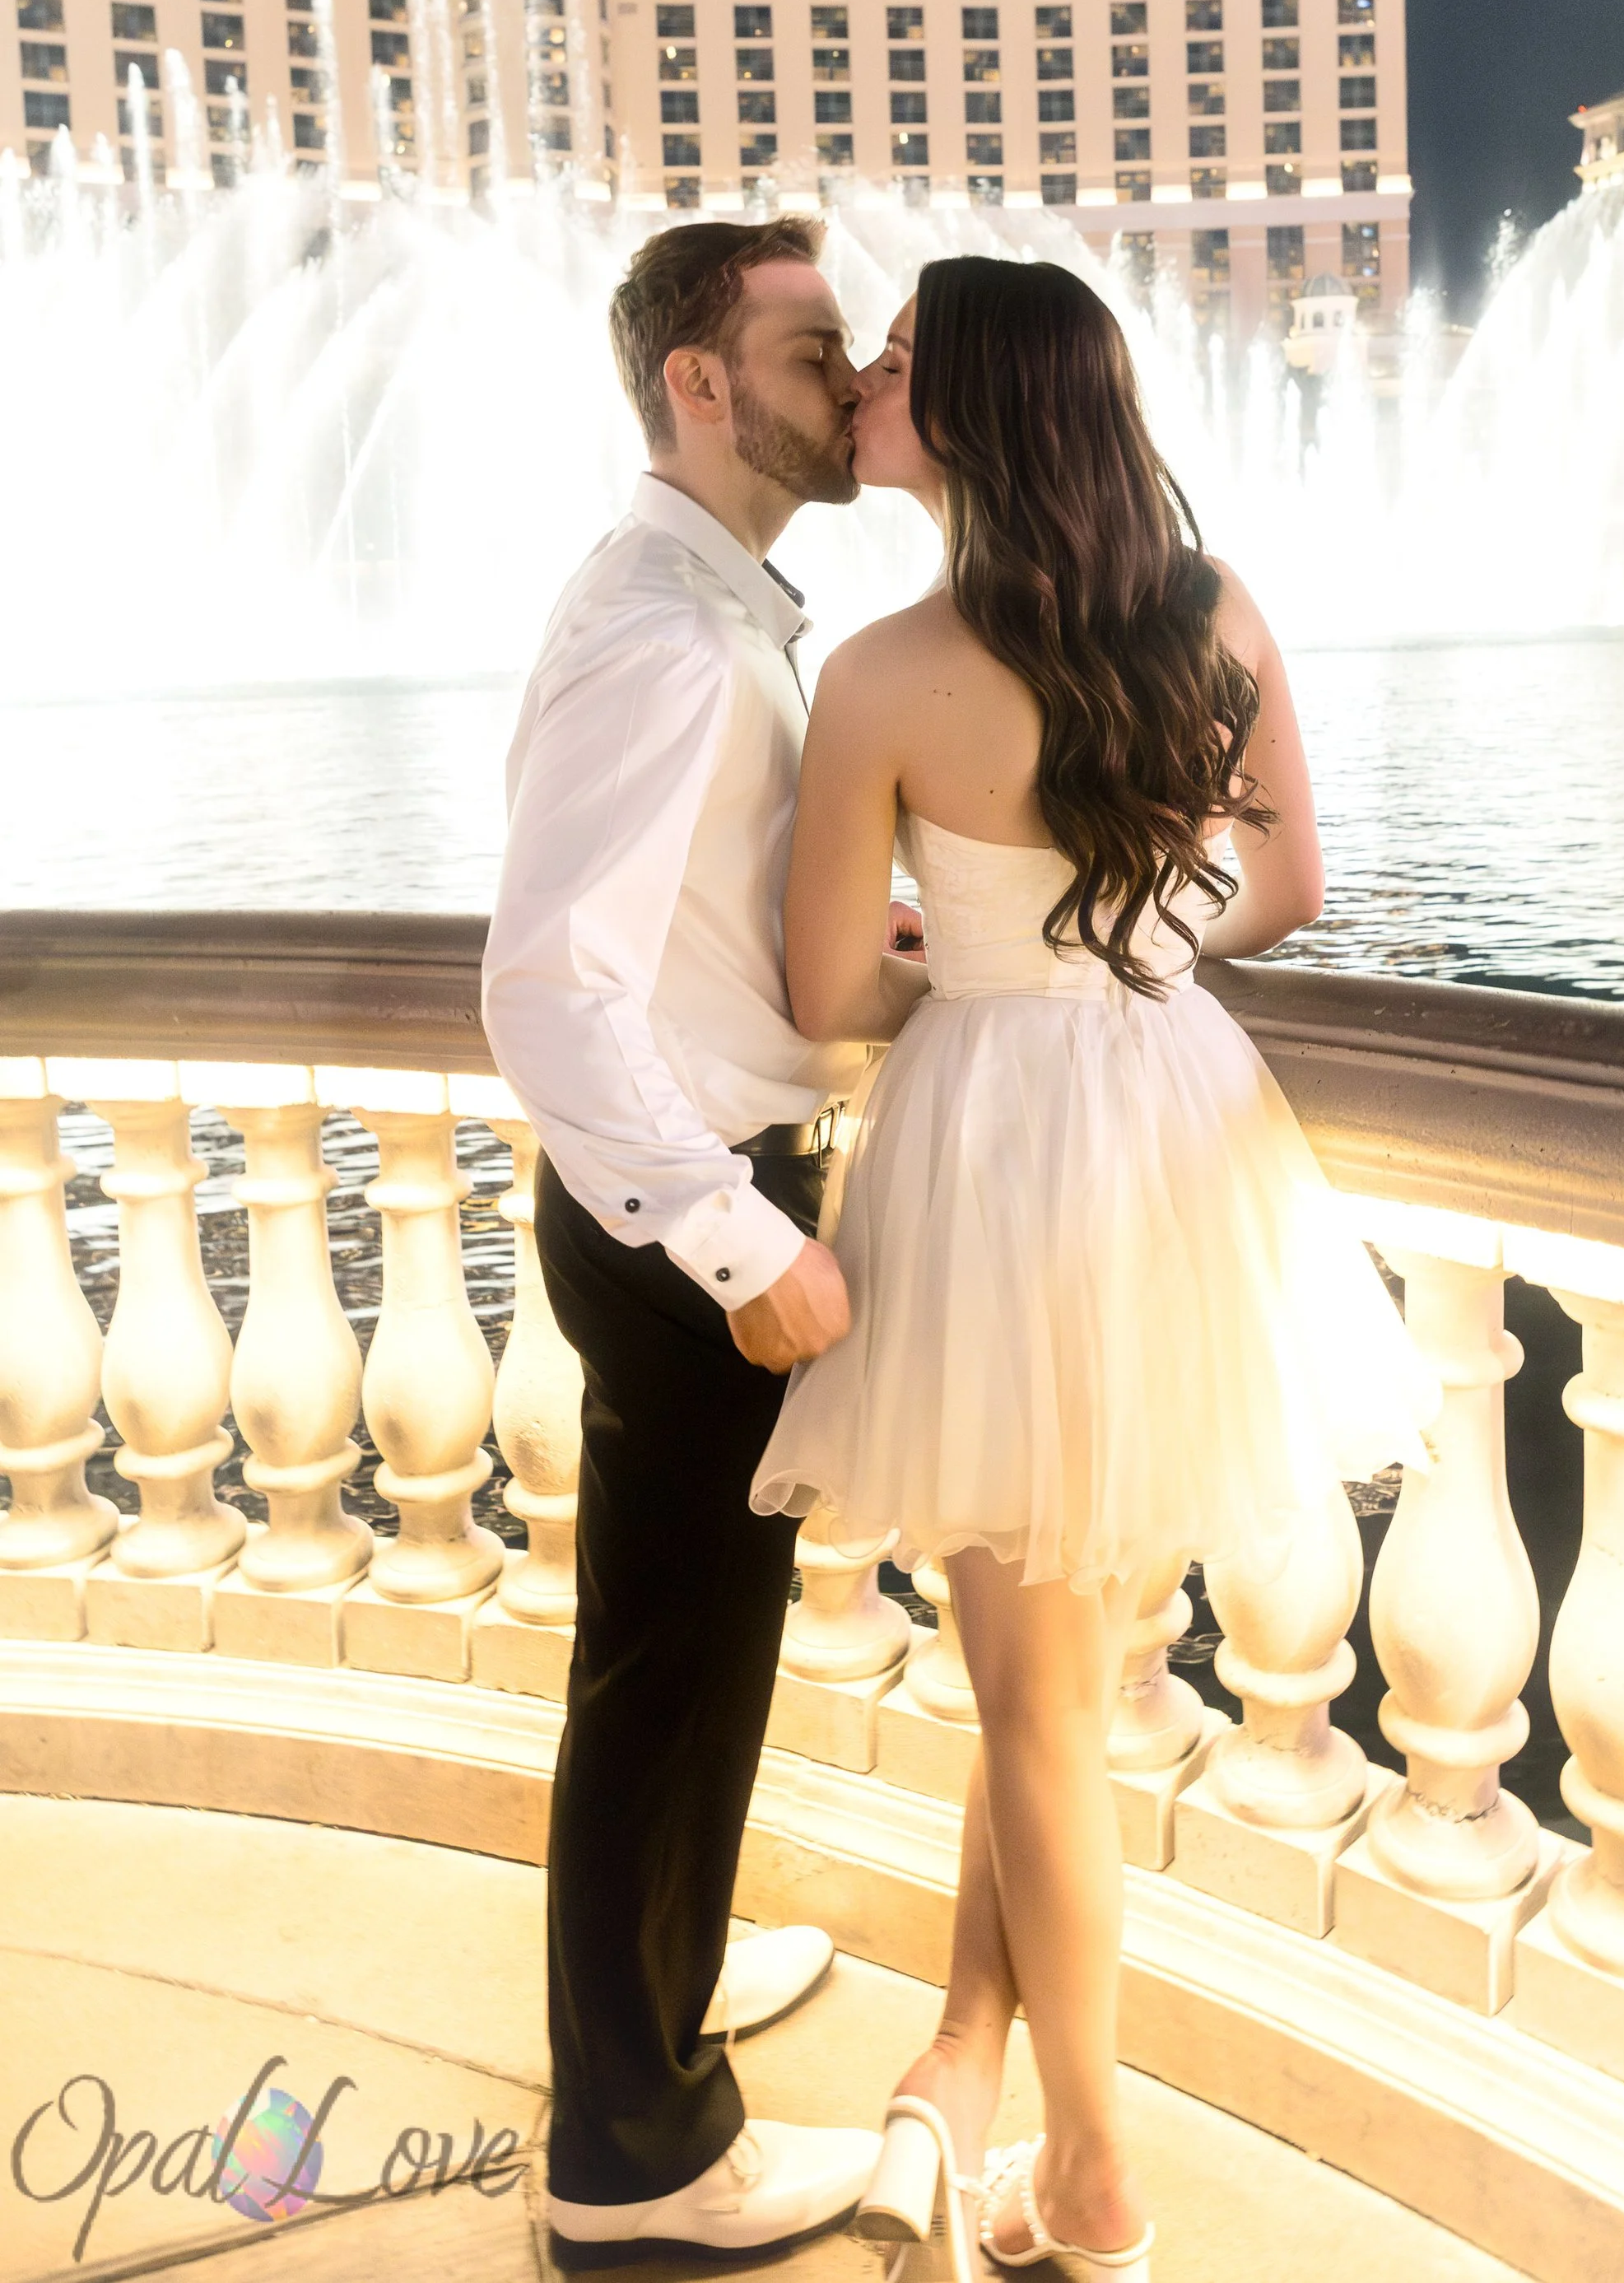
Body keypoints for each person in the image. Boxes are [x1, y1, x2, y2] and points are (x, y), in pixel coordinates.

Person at [752, 258, 1437, 2279]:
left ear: (965, 411)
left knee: (1038, 1703)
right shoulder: (1212, 617)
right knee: (1058, 1679)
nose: (866, 380)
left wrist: (962, 970)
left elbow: (813, 988)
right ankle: (977, 2079)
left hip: (988, 1153)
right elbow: (1290, 888)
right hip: (1176, 1127)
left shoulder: (879, 674)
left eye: (892, 362)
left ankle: (1093, 2179)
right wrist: (1122, 958)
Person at [482, 217, 903, 2254]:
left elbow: (684, 927)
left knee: (683, 1661)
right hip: (680, 1215)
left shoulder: (695, 601)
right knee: (667, 1675)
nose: (854, 380)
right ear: (700, 385)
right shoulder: (666, 632)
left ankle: (655, 1980)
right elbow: (550, 989)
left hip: (677, 1188)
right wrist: (742, 1242)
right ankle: (635, 2164)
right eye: (816, 350)